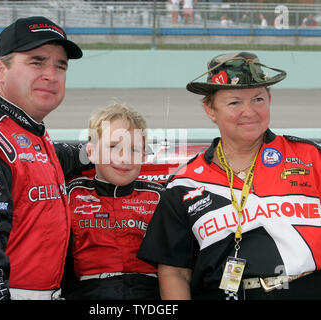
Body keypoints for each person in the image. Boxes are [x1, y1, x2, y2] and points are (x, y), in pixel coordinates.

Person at [138, 51, 321, 300]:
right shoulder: (185, 184)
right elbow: (175, 272)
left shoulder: (312, 158)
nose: (250, 111)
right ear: (210, 109)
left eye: (258, 99)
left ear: (269, 99)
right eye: (234, 102)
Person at [0, 16, 89, 300]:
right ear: (0, 70)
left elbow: (46, 163)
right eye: (37, 62)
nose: (51, 74)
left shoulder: (27, 132)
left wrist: (94, 152)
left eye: (60, 66)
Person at [62, 103, 164, 300]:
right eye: (113, 147)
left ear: (144, 155)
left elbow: (176, 266)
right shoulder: (71, 194)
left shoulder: (159, 197)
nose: (124, 157)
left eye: (134, 149)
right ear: (90, 152)